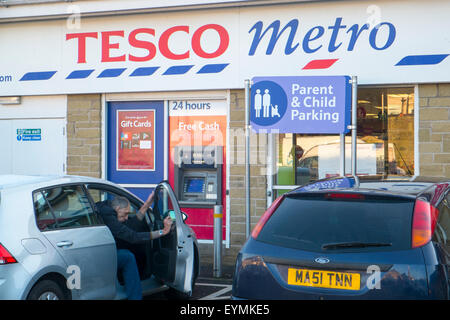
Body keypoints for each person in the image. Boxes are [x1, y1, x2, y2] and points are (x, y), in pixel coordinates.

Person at [96, 191, 173, 300]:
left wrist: (147, 204)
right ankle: (135, 298)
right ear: (117, 208)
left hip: (98, 251)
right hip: (99, 256)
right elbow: (133, 237)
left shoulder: (107, 208)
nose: (127, 217)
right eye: (125, 214)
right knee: (128, 257)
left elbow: (130, 225)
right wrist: (163, 232)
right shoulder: (108, 216)